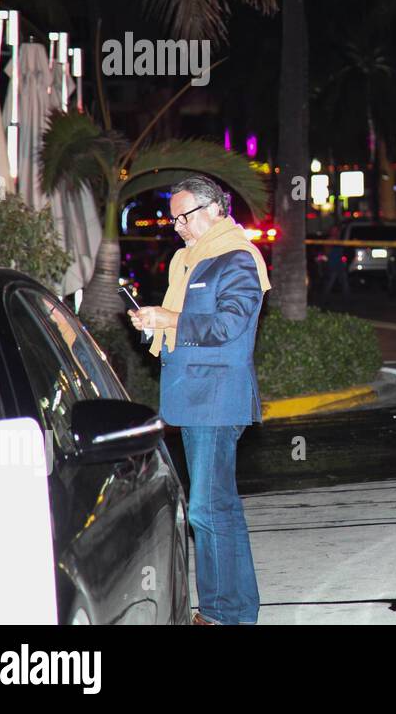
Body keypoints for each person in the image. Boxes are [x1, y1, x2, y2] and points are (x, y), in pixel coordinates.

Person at [129, 175, 270, 626]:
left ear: (214, 210)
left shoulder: (238, 259)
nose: (177, 227)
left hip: (217, 398)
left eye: (183, 217)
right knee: (216, 507)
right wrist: (158, 324)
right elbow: (192, 325)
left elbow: (229, 325)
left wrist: (171, 317)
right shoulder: (189, 260)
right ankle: (229, 610)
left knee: (209, 509)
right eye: (173, 220)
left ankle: (224, 613)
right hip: (193, 398)